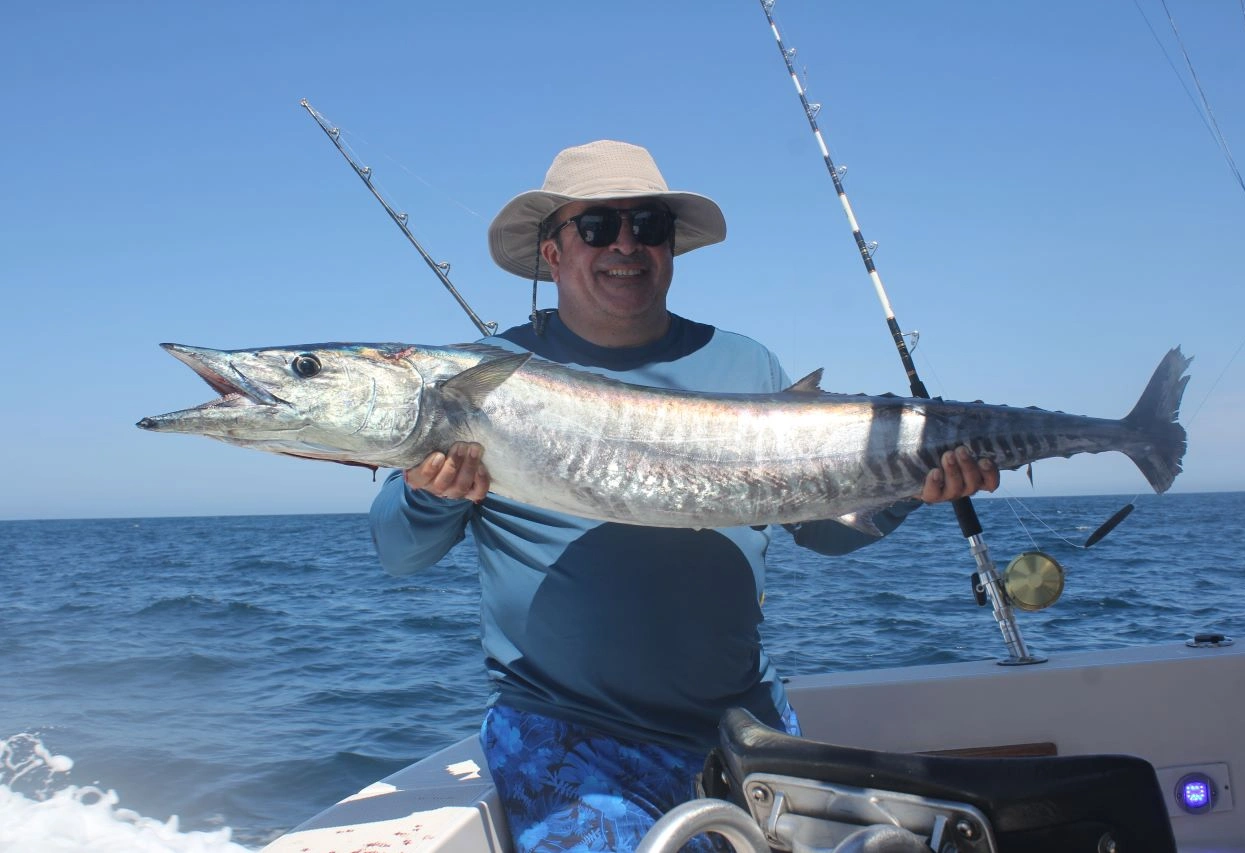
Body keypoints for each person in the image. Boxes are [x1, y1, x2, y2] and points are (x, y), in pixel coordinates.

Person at [369, 140, 998, 852]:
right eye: (598, 226)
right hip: (570, 736)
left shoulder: (744, 362)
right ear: (553, 252)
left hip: (744, 725)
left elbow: (820, 528)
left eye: (649, 225)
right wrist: (431, 492)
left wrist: (910, 489)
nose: (626, 244)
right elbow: (397, 550)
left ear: (670, 247)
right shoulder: (478, 377)